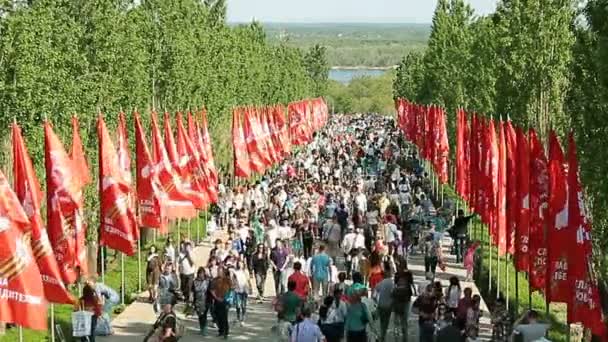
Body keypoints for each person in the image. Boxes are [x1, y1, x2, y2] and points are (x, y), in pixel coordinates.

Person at [392, 271, 414, 342]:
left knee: (396, 321)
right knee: (404, 321)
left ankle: (396, 336)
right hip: (405, 303)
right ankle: (405, 338)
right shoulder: (408, 279)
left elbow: (392, 294)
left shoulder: (397, 279)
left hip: (397, 303)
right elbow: (411, 293)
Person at [210, 268, 233, 339]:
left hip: (225, 300)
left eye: (221, 272)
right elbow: (212, 290)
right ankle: (221, 331)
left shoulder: (227, 280)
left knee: (224, 317)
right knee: (218, 316)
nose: (219, 273)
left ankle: (226, 332)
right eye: (218, 272)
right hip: (217, 300)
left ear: (223, 272)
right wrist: (216, 298)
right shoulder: (214, 280)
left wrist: (229, 299)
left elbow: (231, 290)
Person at [374, 266, 394, 342]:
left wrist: (376, 302)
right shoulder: (392, 283)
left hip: (381, 305)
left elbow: (374, 294)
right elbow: (394, 294)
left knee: (382, 321)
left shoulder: (381, 283)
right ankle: (383, 336)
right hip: (389, 306)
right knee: (386, 322)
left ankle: (381, 336)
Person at [192, 267, 210, 335]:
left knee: (204, 315)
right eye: (200, 273)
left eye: (202, 273)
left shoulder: (207, 281)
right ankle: (201, 328)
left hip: (205, 300)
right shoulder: (195, 281)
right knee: (200, 315)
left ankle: (204, 328)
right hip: (197, 300)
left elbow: (209, 291)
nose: (201, 275)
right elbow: (193, 291)